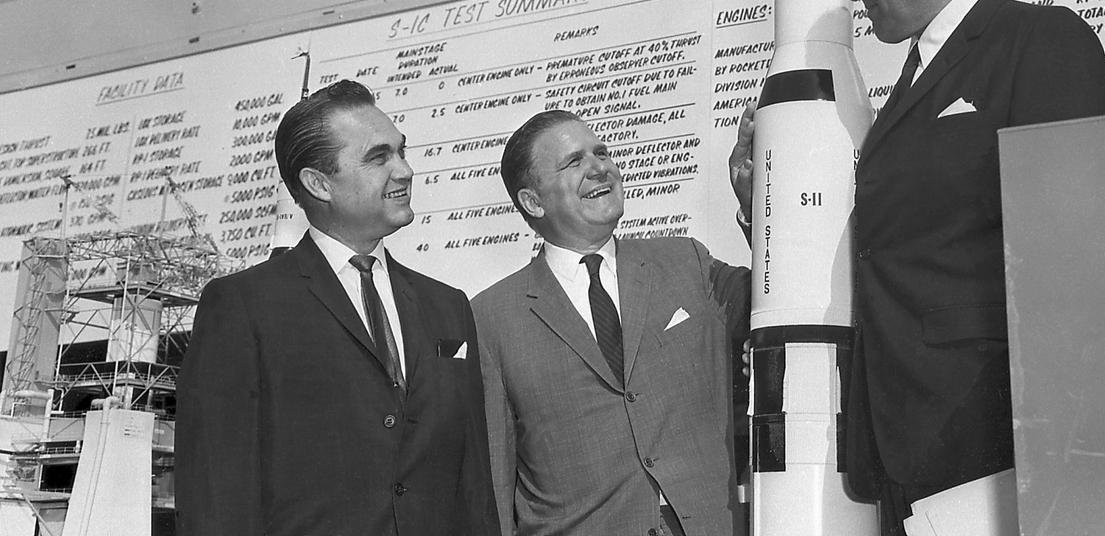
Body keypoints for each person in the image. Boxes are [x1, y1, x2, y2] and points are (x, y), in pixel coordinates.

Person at [730, 0, 1105, 536]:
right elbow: (892, 250)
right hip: (907, 451)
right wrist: (762, 215)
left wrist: (1063, 453)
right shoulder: (915, 81)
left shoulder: (1040, 43)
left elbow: (1077, 260)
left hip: (991, 446)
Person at [175, 80, 500, 536]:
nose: (405, 170)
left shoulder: (449, 307)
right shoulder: (243, 306)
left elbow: (475, 492)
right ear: (318, 183)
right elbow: (215, 495)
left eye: (402, 151)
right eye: (379, 157)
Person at [472, 109, 750, 536]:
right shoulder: (490, 317)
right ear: (533, 201)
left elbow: (781, 300)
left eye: (600, 153)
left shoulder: (687, 262)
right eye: (574, 161)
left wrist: (757, 203)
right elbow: (495, 478)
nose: (599, 167)